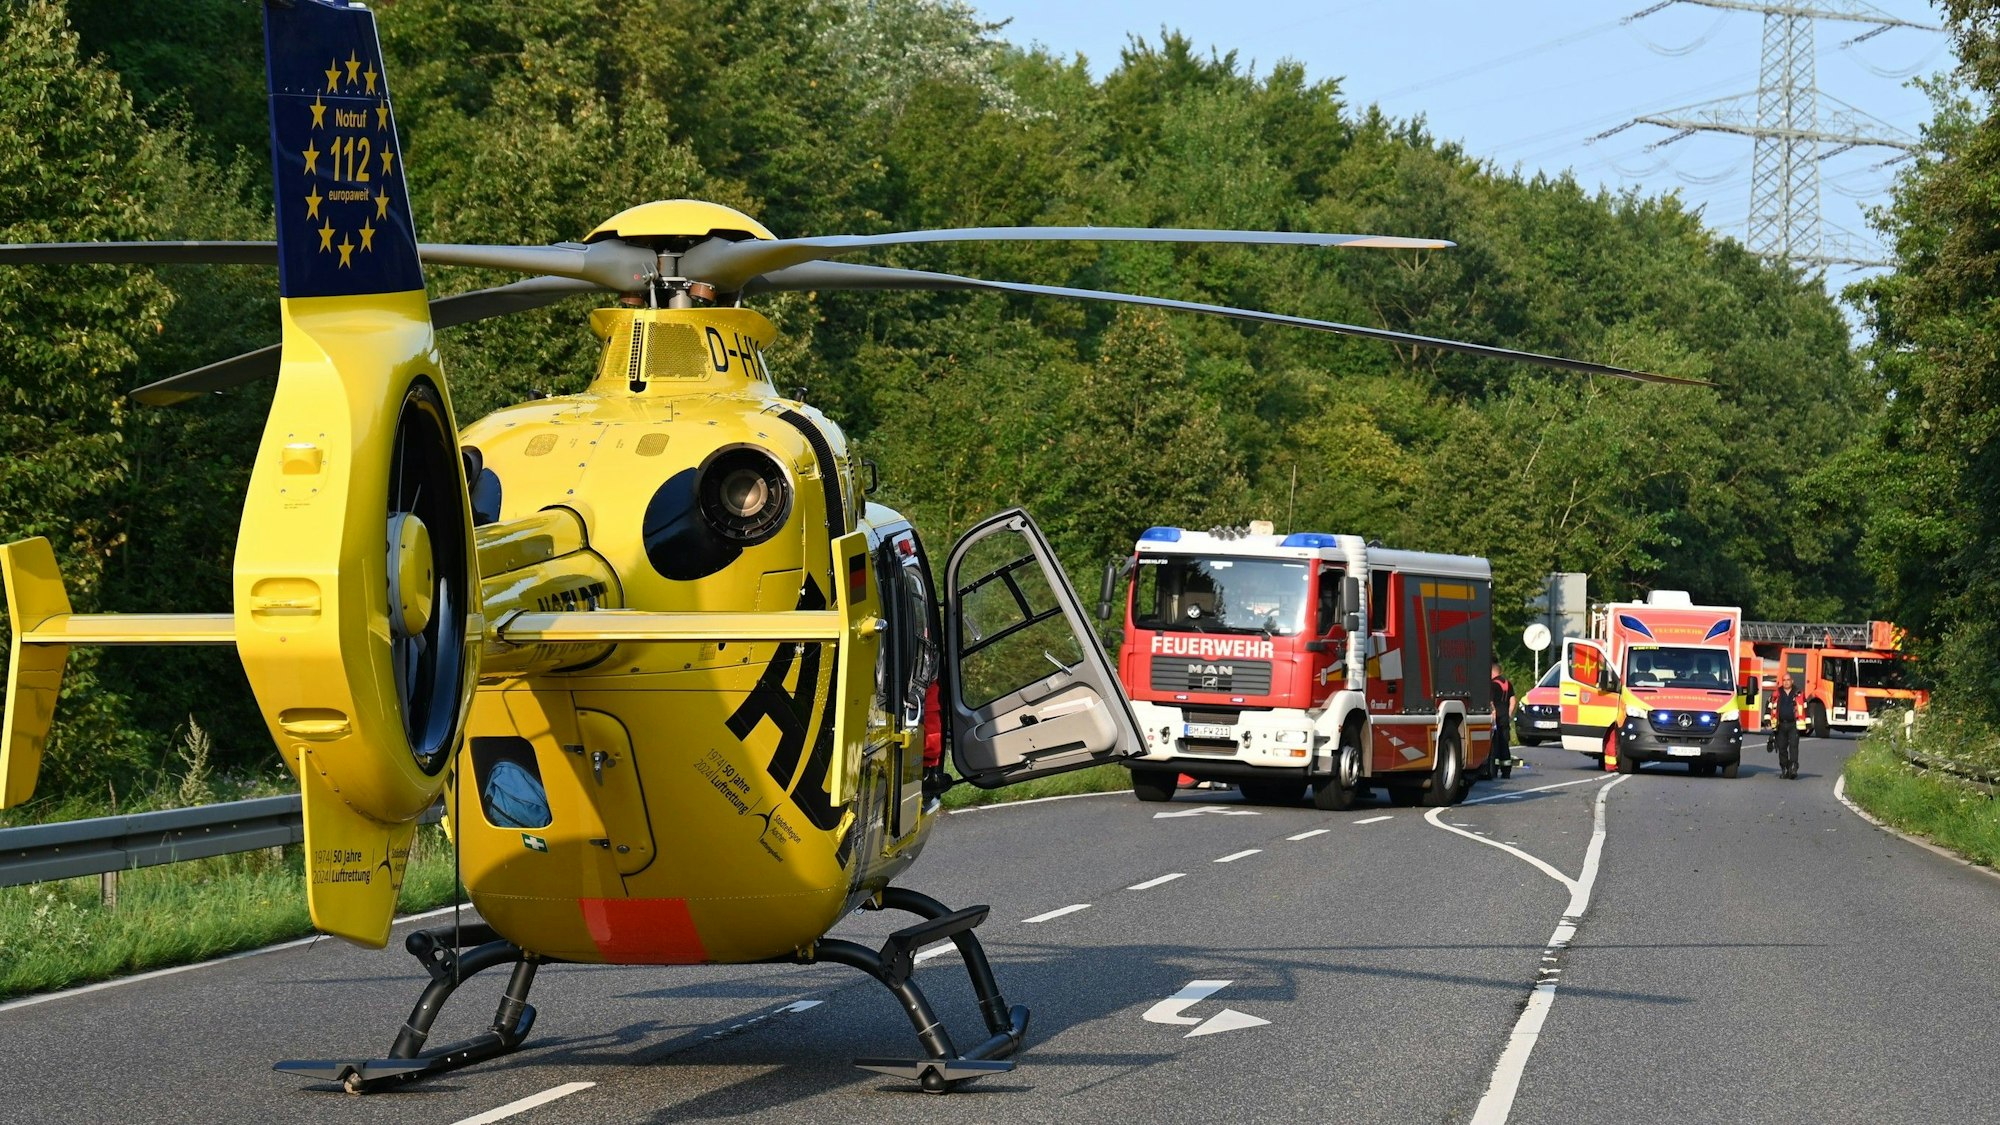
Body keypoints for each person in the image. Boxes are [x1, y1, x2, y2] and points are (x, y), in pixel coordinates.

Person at [1489, 659, 1515, 780]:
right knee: (1505, 744)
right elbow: (1513, 700)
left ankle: (1493, 770)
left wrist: (1493, 712)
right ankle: (1506, 772)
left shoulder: (1493, 684)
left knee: (1495, 745)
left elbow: (1490, 701)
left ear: (1492, 672)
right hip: (1505, 717)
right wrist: (1509, 713)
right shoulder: (1507, 683)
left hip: (1497, 718)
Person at [1771, 679, 1801, 779]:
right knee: (1782, 748)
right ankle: (1785, 768)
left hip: (1793, 724)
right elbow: (1770, 707)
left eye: (1788, 680)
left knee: (1794, 746)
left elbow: (1805, 707)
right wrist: (1768, 720)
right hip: (1780, 725)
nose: (1786, 682)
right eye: (1784, 680)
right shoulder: (1777, 694)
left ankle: (1793, 768)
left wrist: (1807, 724)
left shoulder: (1798, 693)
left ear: (1792, 681)